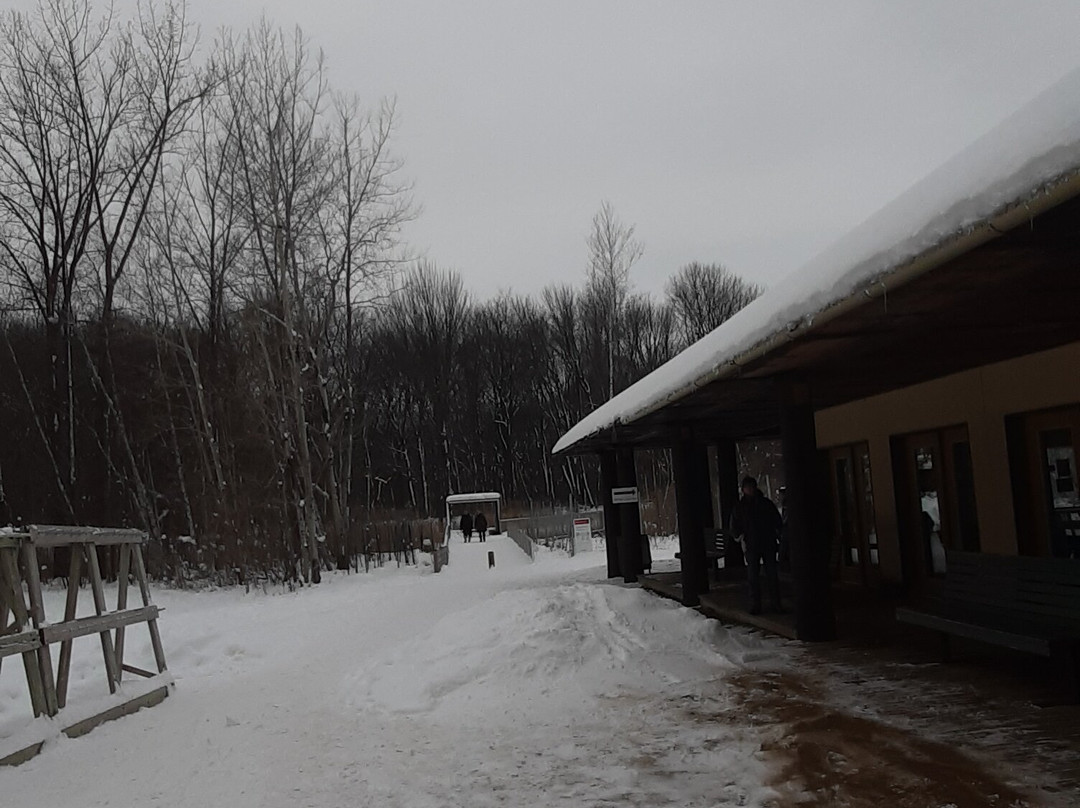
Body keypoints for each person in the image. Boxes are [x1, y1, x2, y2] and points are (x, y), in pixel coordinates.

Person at [730, 476, 783, 615]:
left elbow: (777, 521)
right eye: (747, 487)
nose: (750, 489)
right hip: (751, 544)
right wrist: (740, 537)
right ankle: (756, 604)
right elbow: (734, 526)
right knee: (753, 576)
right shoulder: (740, 507)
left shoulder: (765, 504)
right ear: (743, 490)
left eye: (752, 487)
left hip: (767, 542)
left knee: (771, 574)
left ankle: (775, 603)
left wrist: (778, 534)